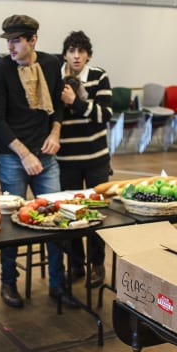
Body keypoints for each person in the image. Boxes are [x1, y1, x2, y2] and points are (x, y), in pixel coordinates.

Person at [0, 14, 78, 309]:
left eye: (16, 40)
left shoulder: (51, 65)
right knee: (11, 224)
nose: (10, 46)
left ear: (32, 40)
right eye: (8, 41)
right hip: (14, 158)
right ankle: (8, 282)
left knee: (56, 220)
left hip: (47, 156)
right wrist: (24, 154)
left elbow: (59, 107)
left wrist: (56, 131)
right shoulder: (0, 70)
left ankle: (57, 284)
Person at [57, 31, 113, 288]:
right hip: (65, 158)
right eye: (71, 50)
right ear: (65, 53)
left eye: (81, 51)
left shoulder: (98, 76)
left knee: (96, 212)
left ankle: (97, 264)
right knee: (69, 213)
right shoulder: (56, 76)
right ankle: (76, 264)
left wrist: (77, 103)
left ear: (88, 55)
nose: (76, 56)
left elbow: (105, 115)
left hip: (95, 158)